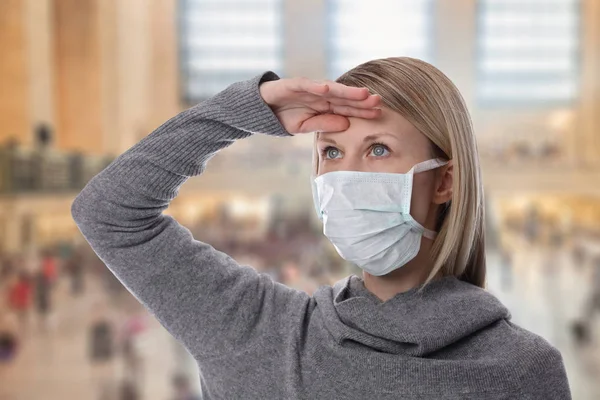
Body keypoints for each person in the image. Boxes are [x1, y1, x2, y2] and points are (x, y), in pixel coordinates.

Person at [71, 57, 571, 399]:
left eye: (378, 150)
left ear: (445, 181)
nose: (347, 175)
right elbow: (109, 211)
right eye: (331, 152)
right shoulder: (258, 332)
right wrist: (250, 110)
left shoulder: (522, 371)